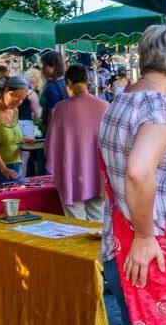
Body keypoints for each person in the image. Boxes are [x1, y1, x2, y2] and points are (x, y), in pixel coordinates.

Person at [99, 25, 166, 325]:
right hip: (157, 254)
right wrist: (145, 237)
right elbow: (138, 171)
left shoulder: (119, 103)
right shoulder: (161, 107)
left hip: (123, 245)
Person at [44, 65, 108, 221]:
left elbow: (51, 145)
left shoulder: (61, 108)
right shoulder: (105, 106)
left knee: (76, 224)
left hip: (70, 175)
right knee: (97, 220)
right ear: (87, 81)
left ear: (68, 82)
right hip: (98, 175)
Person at [40, 51, 68, 134]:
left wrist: (49, 135)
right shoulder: (66, 82)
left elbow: (52, 113)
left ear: (53, 66)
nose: (42, 69)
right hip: (64, 129)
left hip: (53, 131)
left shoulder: (52, 87)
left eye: (44, 65)